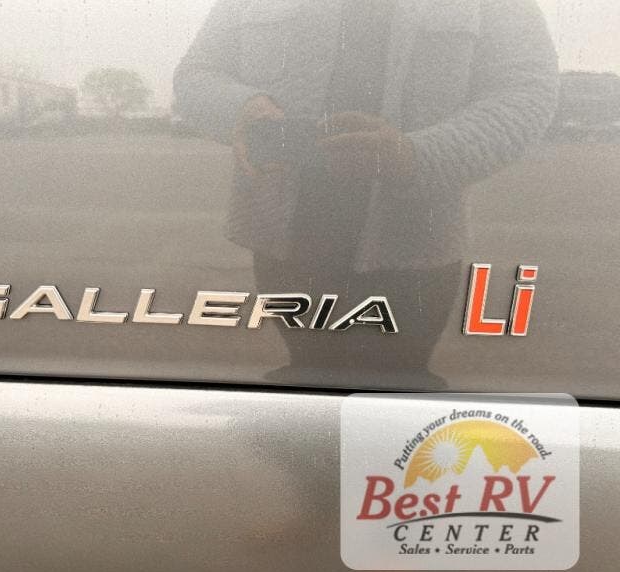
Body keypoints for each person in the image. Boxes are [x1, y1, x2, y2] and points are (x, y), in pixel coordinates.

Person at [174, 0, 559, 388]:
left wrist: (419, 155)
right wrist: (239, 108)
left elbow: (527, 93)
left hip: (415, 252)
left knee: (398, 400)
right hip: (285, 247)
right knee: (306, 391)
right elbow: (195, 73)